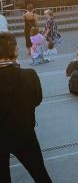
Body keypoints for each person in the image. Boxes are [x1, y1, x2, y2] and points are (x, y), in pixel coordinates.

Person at [0, 32, 52, 182]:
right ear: (15, 50)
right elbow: (37, 100)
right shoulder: (29, 75)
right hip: (24, 133)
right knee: (40, 174)